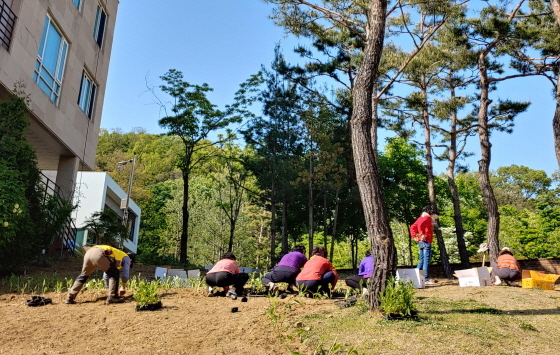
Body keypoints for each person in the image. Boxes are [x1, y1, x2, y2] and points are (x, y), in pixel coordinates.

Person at [65, 245, 134, 305]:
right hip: (100, 253)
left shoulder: (117, 255)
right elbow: (125, 274)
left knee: (83, 275)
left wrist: (110, 289)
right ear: (131, 260)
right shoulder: (126, 258)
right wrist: (123, 287)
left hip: (89, 252)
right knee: (115, 273)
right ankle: (113, 297)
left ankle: (70, 297)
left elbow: (106, 275)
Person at [410, 204, 439, 285]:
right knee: (426, 261)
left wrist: (414, 236)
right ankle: (425, 279)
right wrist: (423, 234)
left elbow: (413, 227)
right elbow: (421, 226)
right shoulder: (427, 218)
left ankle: (414, 277)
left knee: (421, 260)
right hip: (426, 241)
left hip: (421, 242)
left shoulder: (420, 218)